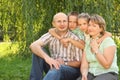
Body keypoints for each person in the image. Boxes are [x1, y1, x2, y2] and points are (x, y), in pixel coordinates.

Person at [29, 12, 83, 80]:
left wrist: (64, 63)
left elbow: (79, 63)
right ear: (53, 24)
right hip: (53, 66)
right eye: (59, 21)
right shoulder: (51, 34)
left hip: (71, 70)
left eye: (64, 21)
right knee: (38, 52)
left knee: (58, 67)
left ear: (67, 23)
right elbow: (33, 45)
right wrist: (48, 59)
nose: (62, 24)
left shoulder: (75, 38)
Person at [80, 14, 119, 80]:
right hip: (91, 73)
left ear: (101, 28)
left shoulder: (108, 41)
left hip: (107, 73)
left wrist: (96, 50)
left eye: (94, 26)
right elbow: (84, 64)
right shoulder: (88, 42)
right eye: (89, 25)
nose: (90, 28)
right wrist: (84, 73)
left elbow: (107, 65)